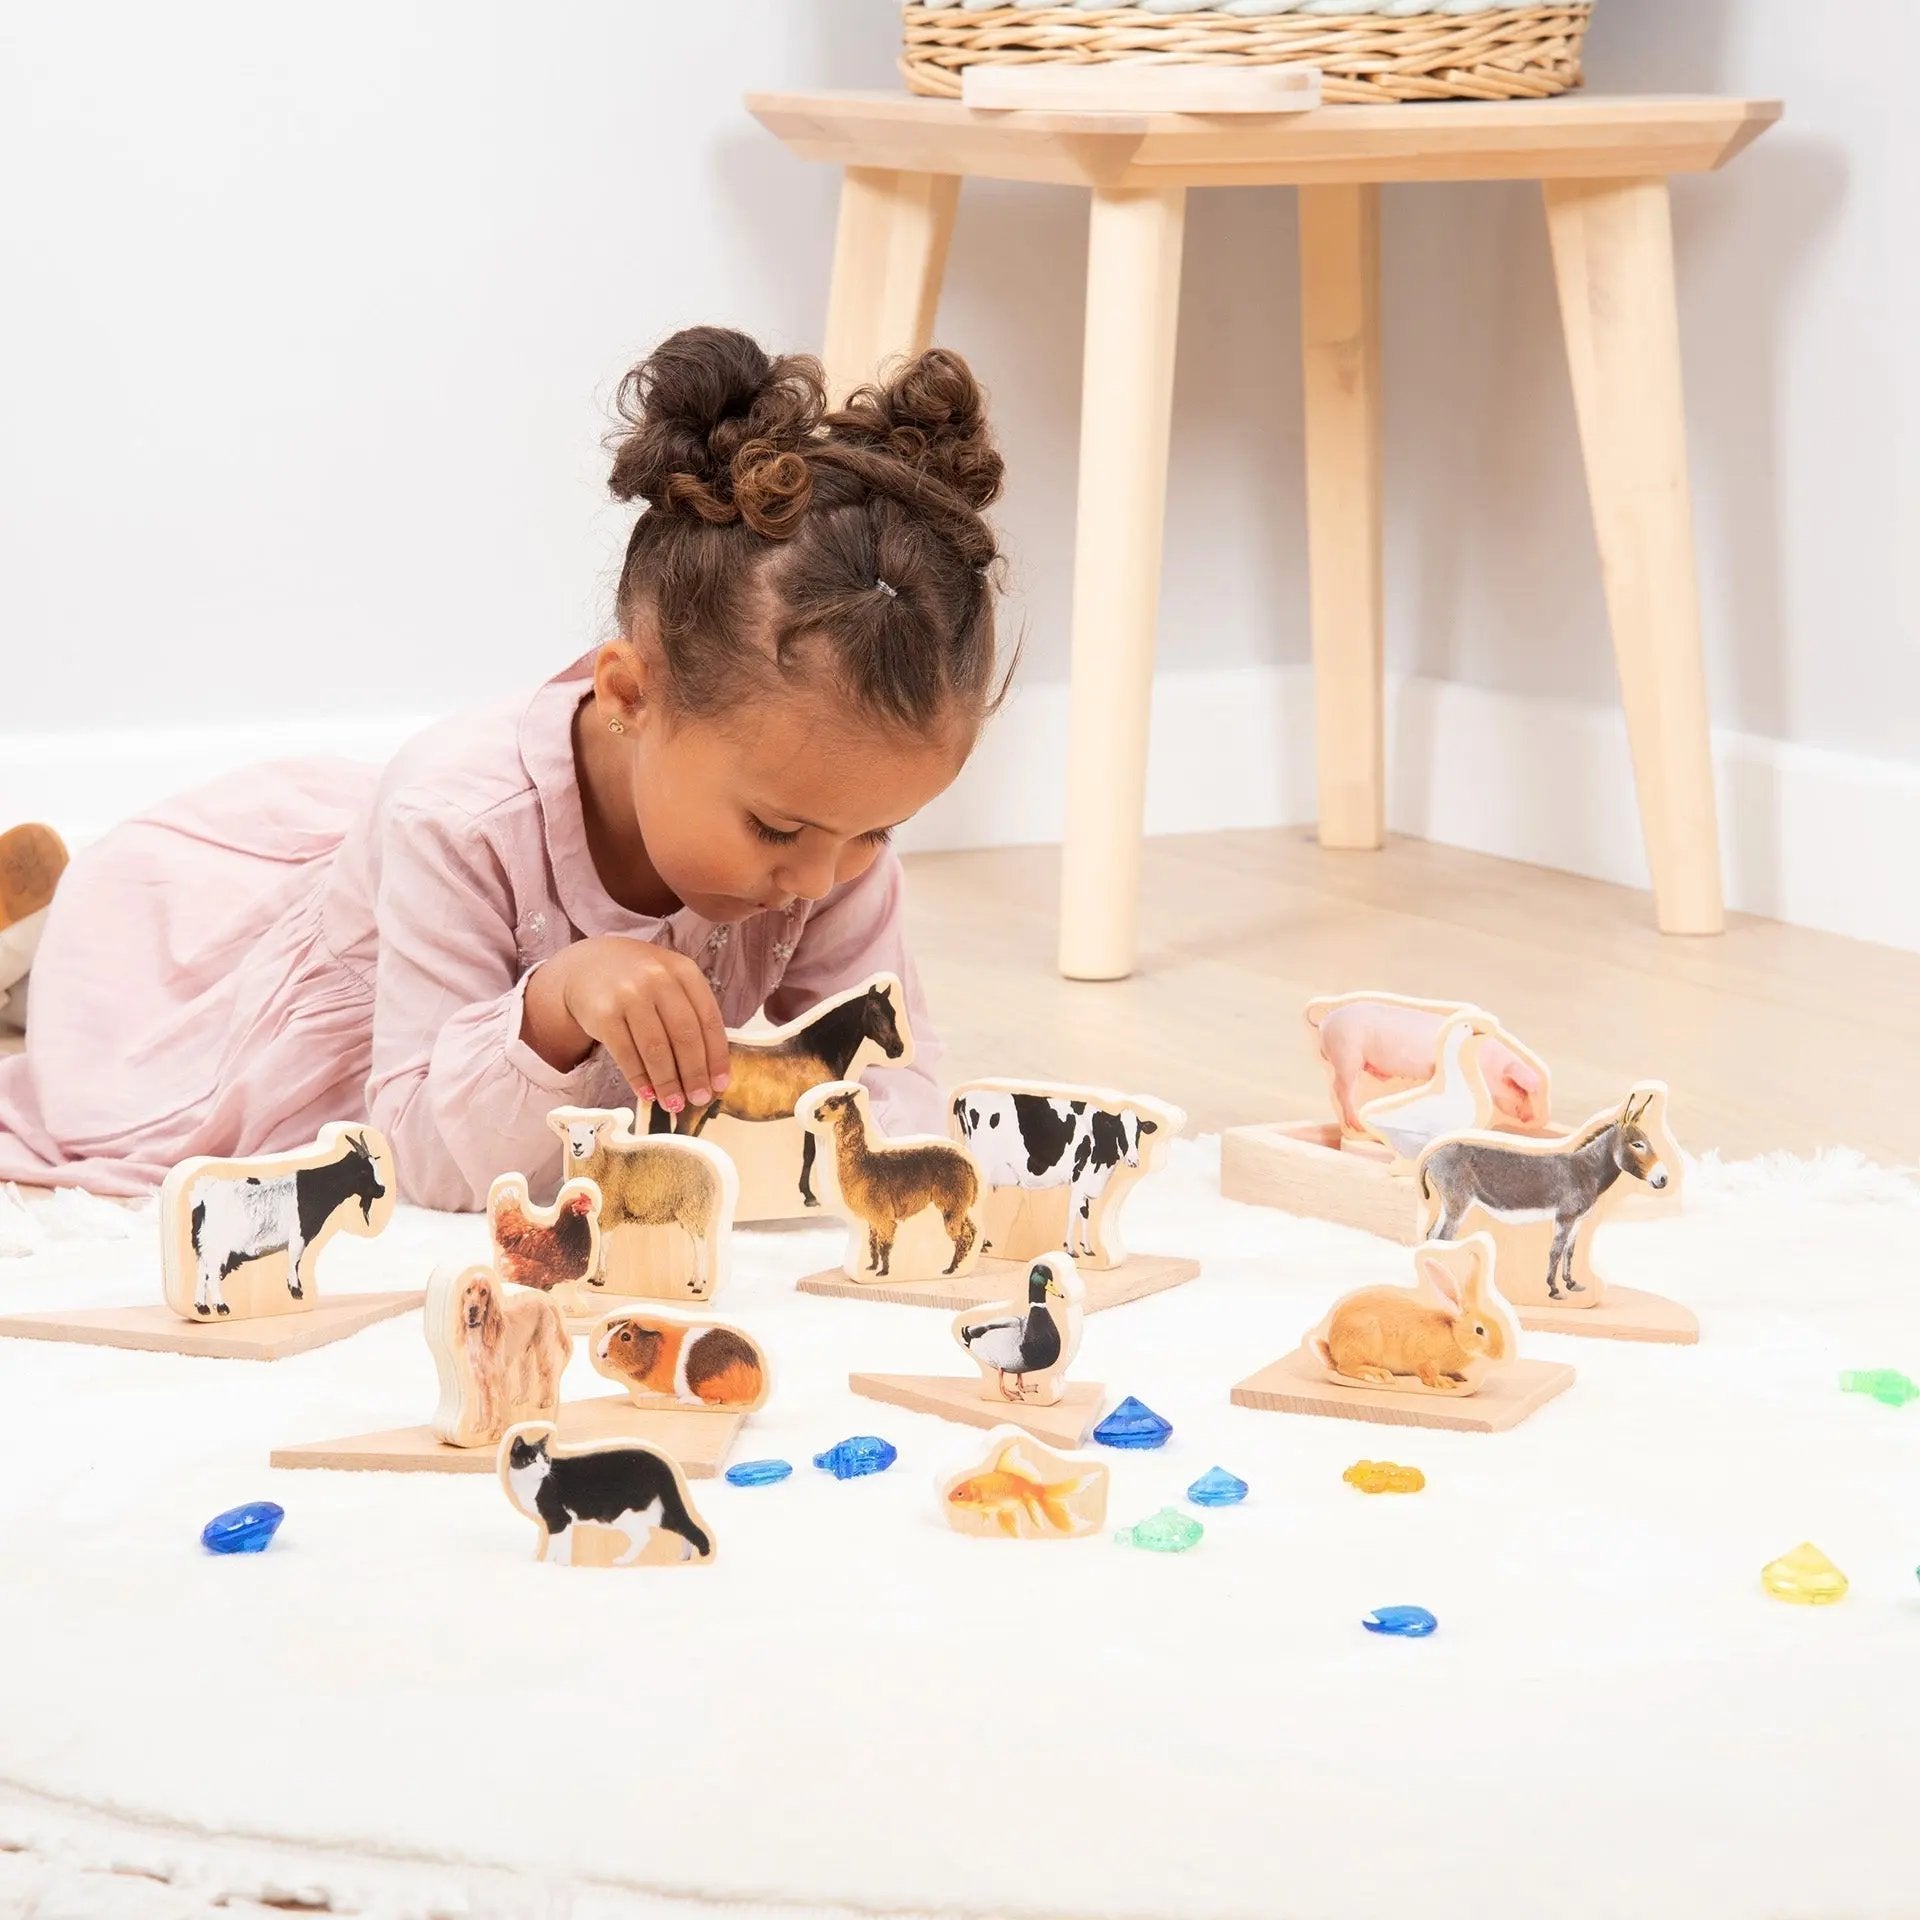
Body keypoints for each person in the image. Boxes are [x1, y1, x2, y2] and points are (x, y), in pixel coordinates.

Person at [0, 326, 1009, 1208]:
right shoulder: (456, 819)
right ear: (629, 697)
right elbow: (421, 1166)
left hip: (396, 888)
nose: (821, 879)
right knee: (94, 1034)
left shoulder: (827, 837)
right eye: (778, 830)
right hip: (240, 979)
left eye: (877, 831)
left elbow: (897, 1080)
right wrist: (554, 1007)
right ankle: (41, 933)